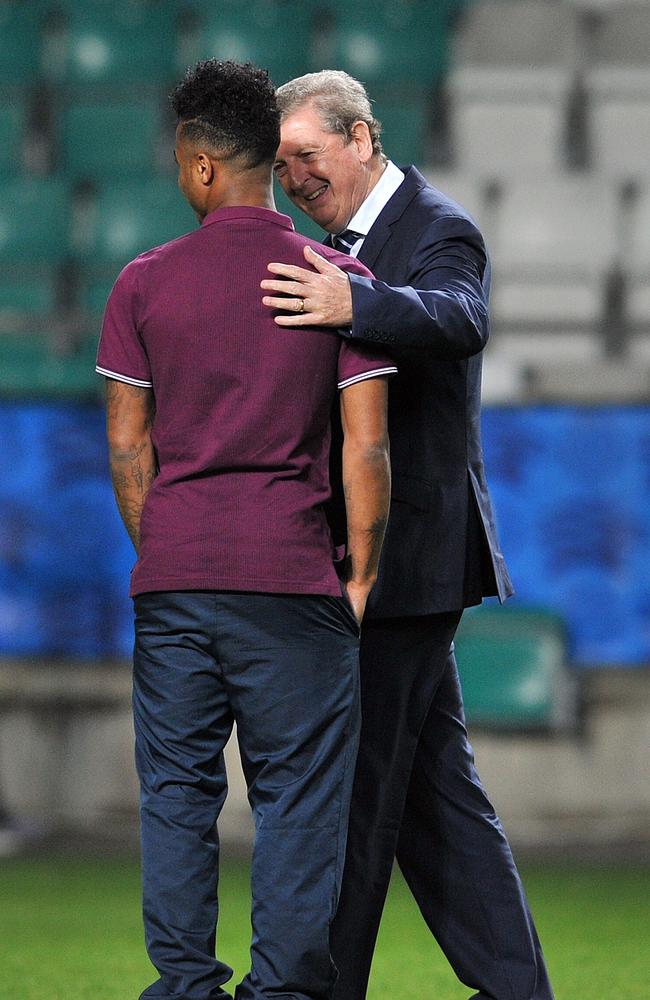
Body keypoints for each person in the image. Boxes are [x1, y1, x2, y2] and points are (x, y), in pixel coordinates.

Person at [96, 60, 395, 1000]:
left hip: (178, 583)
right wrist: (360, 577)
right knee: (302, 807)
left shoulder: (142, 284)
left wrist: (173, 550)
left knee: (178, 801)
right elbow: (366, 452)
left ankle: (184, 989)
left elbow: (126, 447)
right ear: (271, 158)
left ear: (197, 167)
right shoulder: (340, 279)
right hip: (296, 581)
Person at [261, 70, 554, 1000]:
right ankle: (518, 989)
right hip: (386, 558)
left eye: (306, 155)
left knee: (362, 794)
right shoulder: (334, 241)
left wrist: (361, 305)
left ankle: (319, 988)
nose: (294, 177)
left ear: (362, 138)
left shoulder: (437, 226)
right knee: (437, 802)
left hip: (413, 557)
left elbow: (463, 321)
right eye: (279, 165)